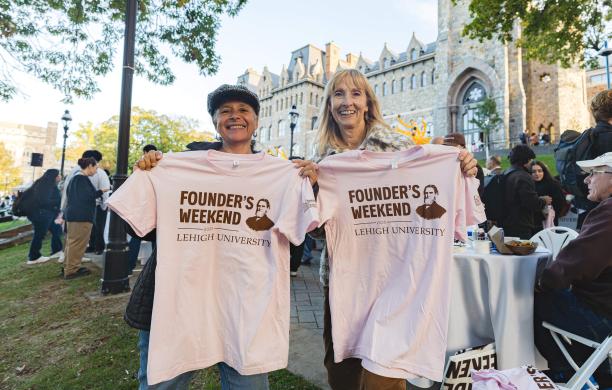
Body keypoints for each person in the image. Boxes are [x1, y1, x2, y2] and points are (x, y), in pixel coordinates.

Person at [126, 84, 317, 390]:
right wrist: (149, 176)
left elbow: (306, 232)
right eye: (225, 111)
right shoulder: (176, 165)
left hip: (245, 310)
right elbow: (139, 226)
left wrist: (310, 185)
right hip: (178, 306)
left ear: (256, 120)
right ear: (215, 121)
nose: (234, 116)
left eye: (243, 110)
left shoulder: (283, 175)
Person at [299, 69, 478, 390]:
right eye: (338, 94)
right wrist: (312, 191)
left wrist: (458, 165)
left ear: (368, 103)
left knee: (387, 367)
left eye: (355, 94)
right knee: (342, 367)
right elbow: (318, 232)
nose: (347, 102)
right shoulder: (323, 162)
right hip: (346, 278)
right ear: (329, 105)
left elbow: (433, 182)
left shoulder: (399, 146)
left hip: (397, 276)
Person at [534, 152, 612, 388]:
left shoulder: (608, 213)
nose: (586, 180)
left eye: (593, 173)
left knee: (524, 300)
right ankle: (598, 376)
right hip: (604, 312)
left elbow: (575, 263)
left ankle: (566, 373)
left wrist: (541, 282)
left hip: (602, 317)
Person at [63, 157, 108, 279]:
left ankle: (69, 267)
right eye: (96, 167)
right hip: (81, 216)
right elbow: (87, 196)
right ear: (89, 166)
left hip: (73, 215)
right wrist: (102, 191)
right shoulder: (81, 179)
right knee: (77, 244)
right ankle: (71, 270)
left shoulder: (75, 179)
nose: (96, 170)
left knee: (71, 243)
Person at [61, 150, 111, 255]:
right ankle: (97, 247)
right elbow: (104, 189)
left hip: (75, 208)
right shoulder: (97, 173)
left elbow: (66, 191)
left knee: (88, 230)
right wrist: (104, 205)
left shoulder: (73, 172)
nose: (97, 167)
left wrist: (63, 207)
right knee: (96, 228)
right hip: (93, 206)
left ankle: (92, 247)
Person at [500, 145, 551, 239]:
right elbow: (531, 202)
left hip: (505, 222)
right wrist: (544, 200)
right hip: (520, 225)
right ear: (526, 160)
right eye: (531, 159)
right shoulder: (524, 176)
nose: (531, 162)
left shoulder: (505, 173)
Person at [127, 144, 158, 275]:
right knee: (156, 240)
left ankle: (128, 266)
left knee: (136, 237)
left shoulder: (140, 166)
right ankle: (155, 267)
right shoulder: (157, 165)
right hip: (155, 207)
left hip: (141, 207)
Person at [25, 169, 63, 265]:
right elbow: (43, 201)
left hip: (45, 214)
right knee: (39, 235)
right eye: (58, 175)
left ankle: (57, 250)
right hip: (42, 215)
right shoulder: (46, 186)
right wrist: (58, 202)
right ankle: (33, 257)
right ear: (54, 177)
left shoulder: (44, 184)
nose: (60, 177)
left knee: (56, 230)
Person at [443, 132, 485, 198]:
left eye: (452, 148)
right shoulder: (443, 167)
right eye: (445, 147)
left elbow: (477, 197)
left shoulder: (473, 166)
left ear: (463, 148)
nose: (448, 151)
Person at [529, 160, 565, 234]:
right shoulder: (528, 185)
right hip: (532, 222)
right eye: (534, 171)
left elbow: (560, 202)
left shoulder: (553, 184)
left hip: (549, 220)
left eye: (539, 171)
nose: (537, 174)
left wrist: (551, 213)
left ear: (544, 171)